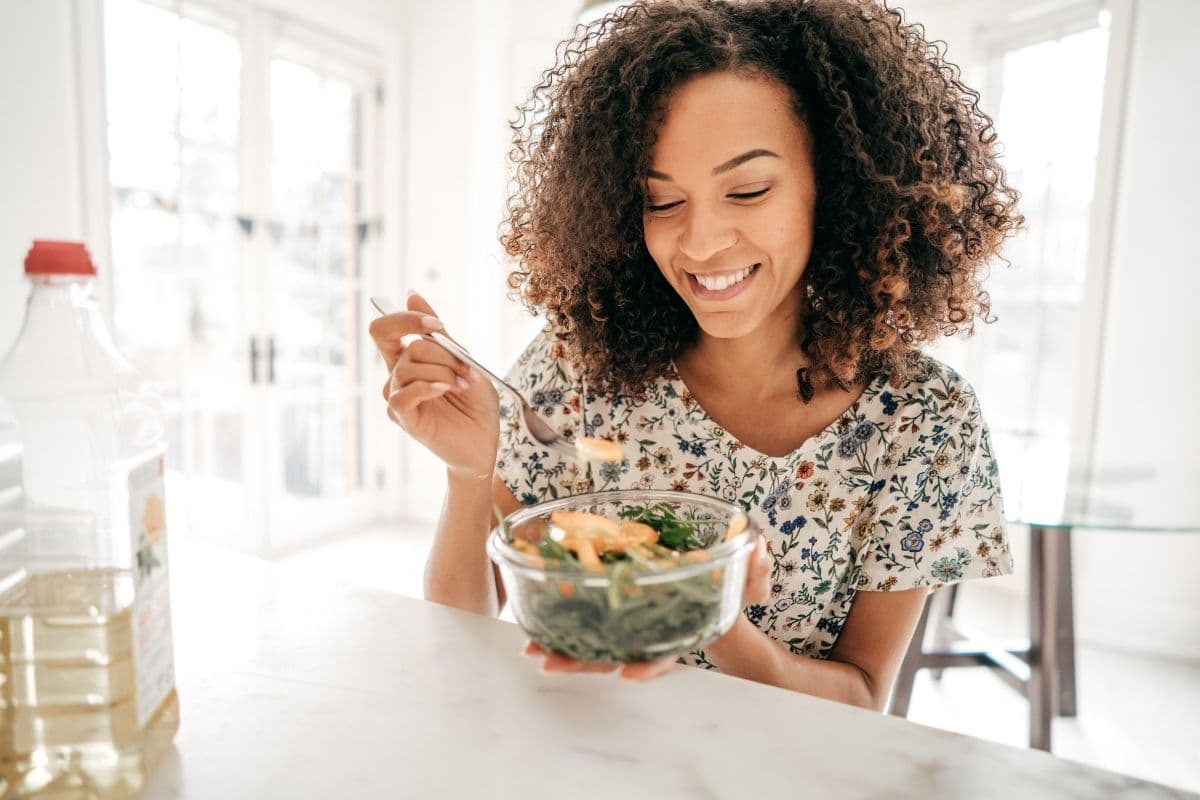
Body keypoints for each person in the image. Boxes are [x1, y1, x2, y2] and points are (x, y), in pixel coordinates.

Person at [369, 0, 1022, 710]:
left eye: (747, 190)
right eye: (661, 202)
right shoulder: (575, 367)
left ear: (834, 188)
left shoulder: (923, 422)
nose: (701, 243)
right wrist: (470, 476)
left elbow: (861, 697)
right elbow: (464, 627)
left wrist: (714, 617)